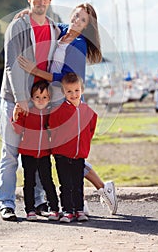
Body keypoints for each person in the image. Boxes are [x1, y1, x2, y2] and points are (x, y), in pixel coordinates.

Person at [18, 3, 118, 215]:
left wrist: (35, 70)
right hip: (51, 100)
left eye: (82, 20)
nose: (77, 21)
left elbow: (67, 78)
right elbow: (50, 22)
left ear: (87, 26)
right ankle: (81, 197)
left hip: (64, 101)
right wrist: (30, 12)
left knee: (67, 154)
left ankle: (101, 187)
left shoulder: (79, 43)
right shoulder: (64, 31)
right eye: (76, 16)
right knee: (62, 153)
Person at [0, 0, 61, 221]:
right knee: (10, 153)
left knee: (38, 153)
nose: (41, 3)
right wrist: (21, 100)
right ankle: (6, 203)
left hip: (40, 102)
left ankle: (38, 201)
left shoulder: (55, 29)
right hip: (16, 99)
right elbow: (11, 65)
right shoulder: (17, 27)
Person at [49, 72, 97, 222]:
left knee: (78, 184)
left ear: (82, 90)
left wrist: (83, 147)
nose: (73, 94)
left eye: (76, 90)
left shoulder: (88, 112)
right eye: (69, 91)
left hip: (79, 156)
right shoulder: (58, 112)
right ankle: (67, 211)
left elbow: (90, 130)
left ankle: (79, 210)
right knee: (66, 185)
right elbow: (52, 129)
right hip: (62, 155)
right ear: (64, 92)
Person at [11, 80, 60, 221]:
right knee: (29, 182)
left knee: (47, 181)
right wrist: (15, 116)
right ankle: (30, 210)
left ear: (49, 99)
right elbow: (18, 129)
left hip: (44, 154)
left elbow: (54, 130)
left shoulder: (49, 113)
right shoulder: (27, 112)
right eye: (37, 97)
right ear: (32, 98)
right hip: (28, 154)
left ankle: (55, 209)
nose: (41, 100)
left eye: (44, 97)